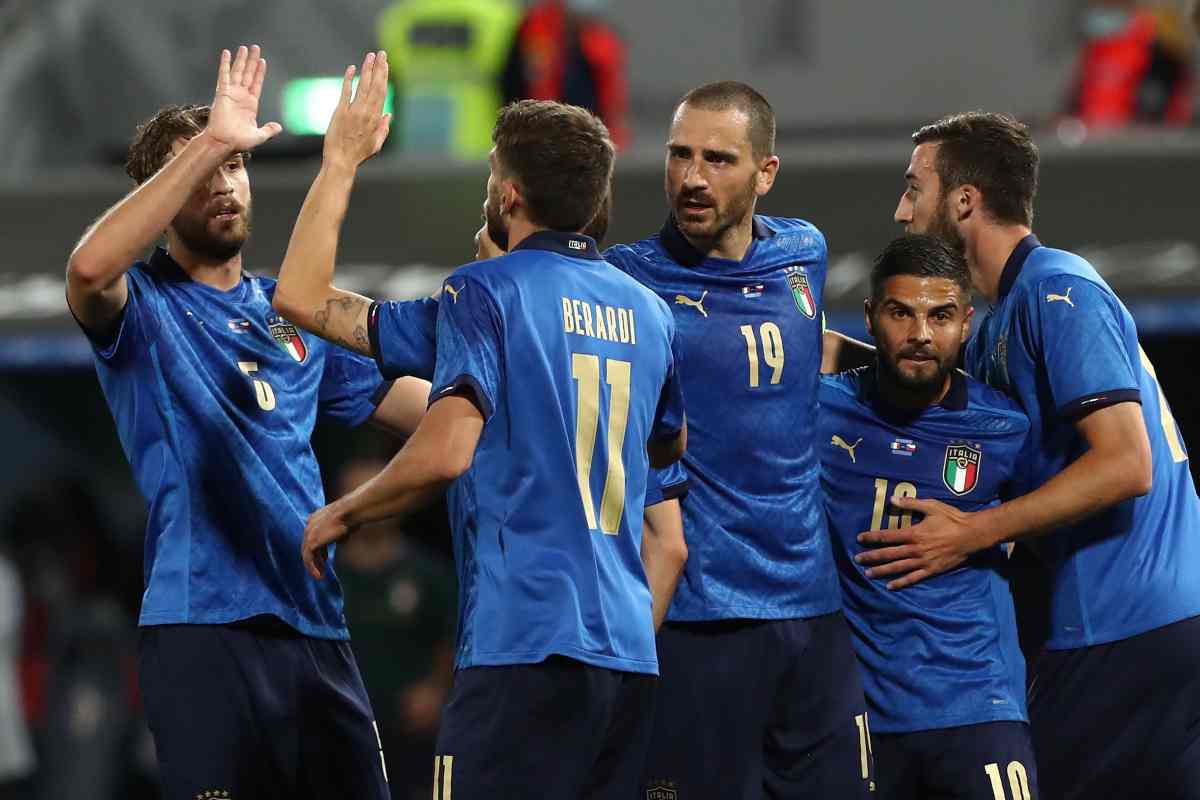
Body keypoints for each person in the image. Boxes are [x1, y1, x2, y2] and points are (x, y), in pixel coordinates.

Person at [273, 51, 688, 799]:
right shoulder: (649, 313)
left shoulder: (483, 292)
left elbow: (305, 301)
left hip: (521, 648)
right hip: (625, 661)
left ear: (506, 192)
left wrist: (342, 513)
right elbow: (668, 452)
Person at [63, 45, 425, 800]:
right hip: (204, 630)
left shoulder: (289, 313)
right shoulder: (147, 307)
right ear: (163, 195)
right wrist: (211, 142)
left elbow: (428, 415)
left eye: (236, 166)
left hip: (317, 627)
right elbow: (91, 271)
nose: (225, 183)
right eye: (204, 172)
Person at [861, 110, 1200, 799]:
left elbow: (1125, 463)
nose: (901, 210)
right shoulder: (999, 326)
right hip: (1152, 625)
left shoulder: (1057, 289)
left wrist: (973, 534)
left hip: (1124, 624)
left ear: (964, 201)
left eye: (913, 188)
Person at [590, 81, 872, 800]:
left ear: (765, 174)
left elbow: (808, 348)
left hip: (812, 610)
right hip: (698, 616)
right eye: (680, 155)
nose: (691, 178)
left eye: (718, 159)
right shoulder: (625, 281)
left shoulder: (804, 252)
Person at [820, 235, 1036, 800]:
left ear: (966, 323)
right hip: (861, 720)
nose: (920, 335)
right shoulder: (820, 409)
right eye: (901, 313)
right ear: (869, 317)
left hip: (979, 707)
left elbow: (1062, 511)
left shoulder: (1006, 428)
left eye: (940, 316)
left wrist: (985, 533)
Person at [333, 457, 457, 800]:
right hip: (342, 726)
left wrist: (435, 690)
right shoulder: (324, 574)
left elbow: (451, 635)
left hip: (411, 731)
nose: (369, 503)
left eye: (378, 492)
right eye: (357, 493)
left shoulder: (429, 574)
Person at [500, 0, 630, 149]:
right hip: (540, 135)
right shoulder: (538, 30)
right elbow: (523, 84)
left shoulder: (601, 41)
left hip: (588, 137)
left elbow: (613, 99)